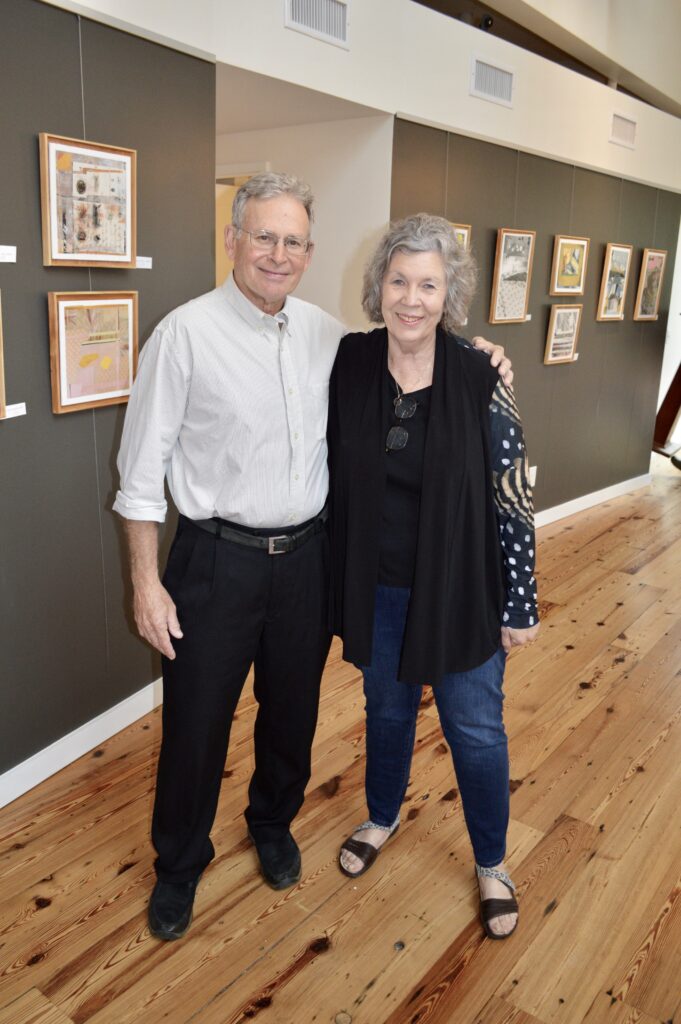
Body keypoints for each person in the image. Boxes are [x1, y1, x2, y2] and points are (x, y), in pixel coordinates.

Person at [114, 173, 512, 942]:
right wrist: (144, 583)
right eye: (263, 236)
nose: (277, 253)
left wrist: (481, 355)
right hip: (214, 560)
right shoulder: (184, 334)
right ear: (231, 239)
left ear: (309, 252)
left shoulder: (331, 339)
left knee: (291, 713)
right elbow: (137, 476)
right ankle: (179, 864)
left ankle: (271, 823)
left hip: (306, 561)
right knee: (197, 723)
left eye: (293, 241)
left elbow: (417, 348)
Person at [327, 214, 539, 940]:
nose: (410, 299)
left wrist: (518, 603)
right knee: (385, 714)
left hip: (461, 591)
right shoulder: (349, 363)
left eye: (427, 284)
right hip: (376, 590)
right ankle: (381, 816)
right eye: (398, 281)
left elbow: (512, 494)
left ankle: (490, 862)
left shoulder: (481, 375)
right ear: (377, 287)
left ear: (448, 294)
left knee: (474, 729)